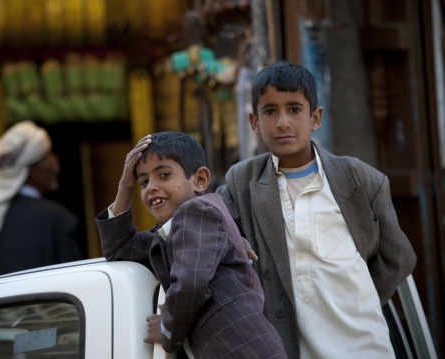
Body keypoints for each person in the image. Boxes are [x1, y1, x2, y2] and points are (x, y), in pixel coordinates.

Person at [215, 61, 417, 358]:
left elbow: (397, 259)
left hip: (364, 345)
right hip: (288, 347)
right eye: (270, 111)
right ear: (254, 123)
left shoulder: (359, 180)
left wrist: (353, 299)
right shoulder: (241, 182)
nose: (283, 122)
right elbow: (204, 232)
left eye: (294, 109)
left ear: (315, 117)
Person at [95, 131, 287, 358]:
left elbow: (190, 284)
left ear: (199, 180)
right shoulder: (174, 230)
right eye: (143, 181)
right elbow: (120, 249)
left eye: (164, 175)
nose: (151, 187)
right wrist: (125, 185)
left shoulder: (197, 211)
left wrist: (167, 330)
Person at [0, 120, 83, 283]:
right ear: (31, 169)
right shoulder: (56, 219)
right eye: (48, 156)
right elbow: (78, 282)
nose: (55, 161)